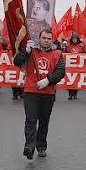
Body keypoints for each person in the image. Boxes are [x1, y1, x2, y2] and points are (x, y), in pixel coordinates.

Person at [13, 28, 65, 160]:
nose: (46, 41)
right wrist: (25, 51)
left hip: (48, 92)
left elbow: (60, 72)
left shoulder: (58, 54)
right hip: (31, 90)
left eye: (49, 39)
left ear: (52, 39)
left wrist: (48, 80)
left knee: (43, 121)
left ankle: (41, 146)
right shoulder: (31, 51)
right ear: (39, 38)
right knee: (31, 120)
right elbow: (17, 62)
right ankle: (29, 147)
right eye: (44, 38)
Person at [65, 33, 84, 100]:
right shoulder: (68, 46)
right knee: (70, 80)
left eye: (76, 39)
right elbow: (65, 54)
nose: (74, 40)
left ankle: (75, 94)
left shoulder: (81, 46)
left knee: (76, 80)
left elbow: (84, 55)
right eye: (73, 39)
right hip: (70, 66)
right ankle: (70, 94)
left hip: (78, 66)